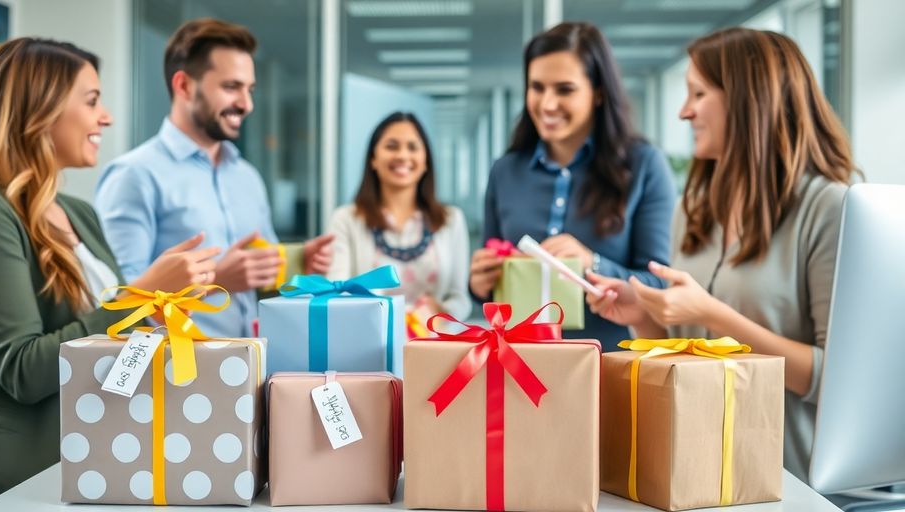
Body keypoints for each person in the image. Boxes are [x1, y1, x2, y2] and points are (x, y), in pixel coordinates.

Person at [0, 38, 220, 500]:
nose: (107, 117)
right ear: (38, 110)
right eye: (92, 101)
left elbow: (111, 340)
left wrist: (159, 306)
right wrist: (138, 297)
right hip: (26, 468)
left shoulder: (79, 213)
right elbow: (23, 370)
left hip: (101, 444)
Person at [587, 27, 857, 481]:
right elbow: (687, 348)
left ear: (749, 100)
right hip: (693, 470)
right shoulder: (693, 211)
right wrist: (643, 316)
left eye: (698, 93)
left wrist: (715, 314)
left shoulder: (829, 209)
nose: (684, 110)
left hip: (784, 480)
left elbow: (836, 380)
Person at [95, 18, 333, 337]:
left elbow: (260, 273)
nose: (246, 104)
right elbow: (120, 302)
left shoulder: (247, 177)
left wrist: (298, 264)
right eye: (231, 87)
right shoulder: (134, 175)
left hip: (253, 364)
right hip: (176, 375)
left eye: (249, 90)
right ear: (184, 85)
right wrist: (217, 279)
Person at [468, 22, 676, 346]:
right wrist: (479, 283)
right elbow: (491, 293)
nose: (547, 104)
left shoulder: (644, 165)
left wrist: (591, 263)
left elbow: (660, 286)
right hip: (519, 367)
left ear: (598, 92)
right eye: (537, 87)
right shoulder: (505, 171)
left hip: (610, 368)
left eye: (565, 89)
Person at [328, 112, 471, 320]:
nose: (403, 155)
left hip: (430, 345)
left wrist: (441, 313)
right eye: (392, 146)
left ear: (425, 162)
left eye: (413, 147)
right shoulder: (345, 219)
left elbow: (460, 299)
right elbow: (336, 293)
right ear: (373, 160)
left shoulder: (451, 220)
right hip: (366, 343)